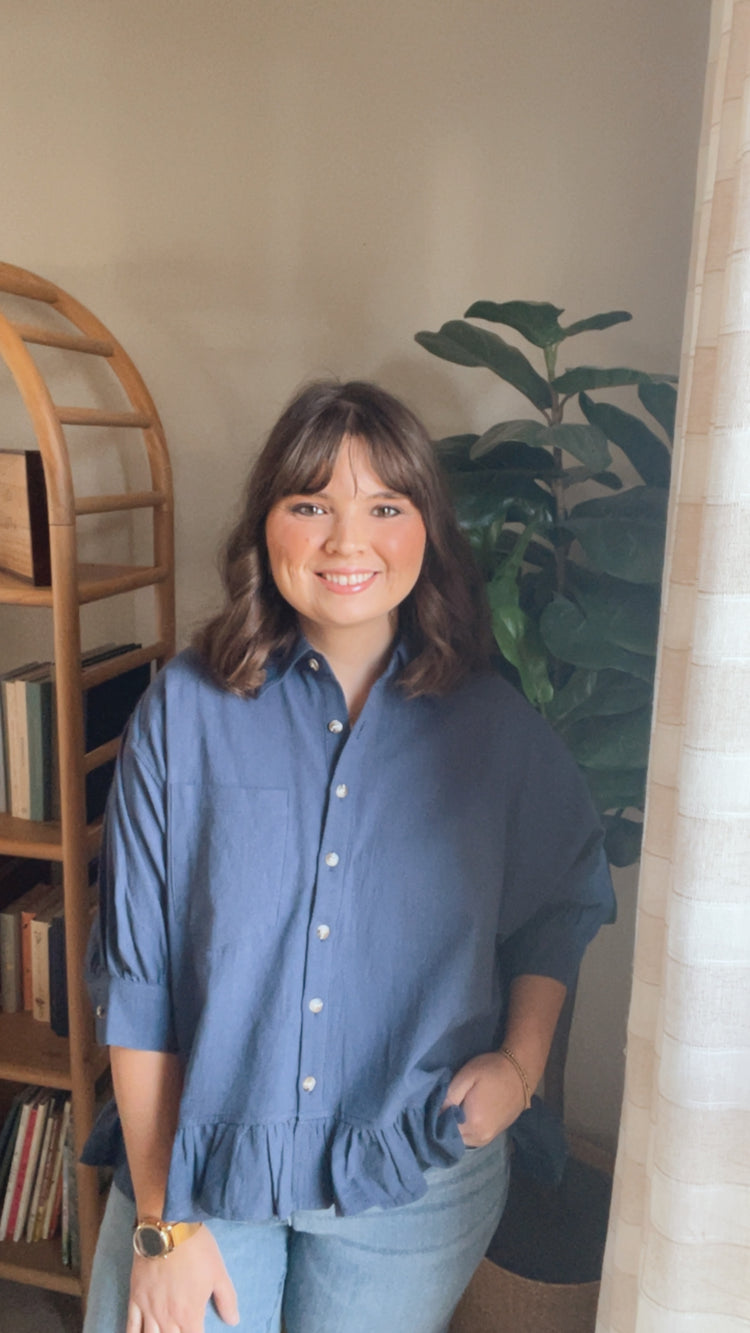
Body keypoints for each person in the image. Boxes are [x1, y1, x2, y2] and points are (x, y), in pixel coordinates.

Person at [82, 379, 614, 1333]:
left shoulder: (491, 729)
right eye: (311, 504)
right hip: (204, 1170)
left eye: (384, 506)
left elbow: (564, 892)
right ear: (266, 524)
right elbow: (138, 975)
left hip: (410, 1182)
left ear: (425, 529)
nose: (346, 540)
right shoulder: (187, 710)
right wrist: (162, 1224)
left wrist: (520, 1065)